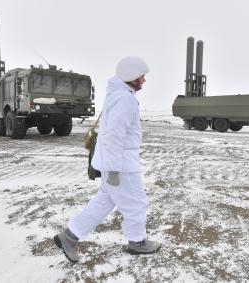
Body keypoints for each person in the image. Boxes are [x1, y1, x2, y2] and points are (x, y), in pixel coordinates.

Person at [54, 56, 161, 263]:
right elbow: (113, 135)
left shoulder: (118, 95)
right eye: (141, 77)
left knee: (103, 202)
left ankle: (68, 237)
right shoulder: (124, 98)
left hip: (115, 163)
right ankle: (137, 242)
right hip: (120, 165)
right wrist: (113, 169)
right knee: (136, 203)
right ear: (131, 76)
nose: (144, 81)